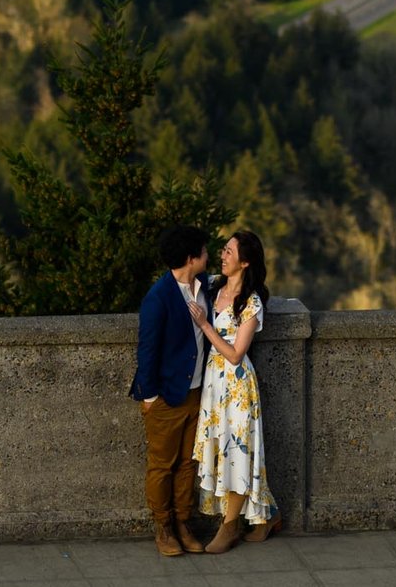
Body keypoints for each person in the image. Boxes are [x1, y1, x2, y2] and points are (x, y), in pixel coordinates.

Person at [189, 229, 279, 552]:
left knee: (238, 452)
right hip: (214, 383)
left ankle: (229, 527)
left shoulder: (252, 303)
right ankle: (265, 516)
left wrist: (205, 326)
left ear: (245, 262)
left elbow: (236, 354)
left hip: (238, 386)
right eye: (224, 250)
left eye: (229, 251)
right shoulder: (213, 286)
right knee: (220, 450)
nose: (223, 255)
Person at [131, 224, 211, 557]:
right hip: (165, 396)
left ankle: (183, 522)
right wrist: (150, 398)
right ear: (191, 258)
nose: (209, 256)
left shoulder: (204, 284)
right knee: (162, 465)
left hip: (196, 392)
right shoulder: (159, 298)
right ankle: (163, 526)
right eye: (204, 252)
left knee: (188, 463)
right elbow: (147, 350)